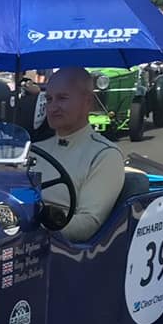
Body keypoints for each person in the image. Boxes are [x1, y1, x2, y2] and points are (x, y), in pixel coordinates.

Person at [37, 67, 124, 243]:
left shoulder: (104, 155)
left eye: (62, 98)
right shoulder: (35, 149)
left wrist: (32, 230)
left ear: (88, 102)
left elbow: (88, 224)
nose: (53, 107)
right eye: (49, 99)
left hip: (59, 249)